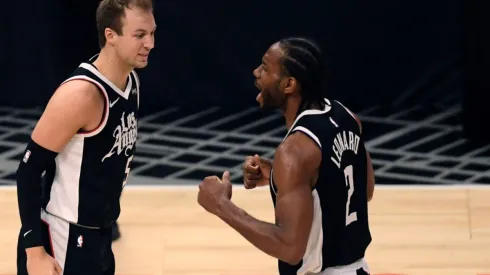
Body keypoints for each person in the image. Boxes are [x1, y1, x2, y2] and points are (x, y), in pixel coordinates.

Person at [197, 37, 375, 275]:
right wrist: (276, 176)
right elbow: (363, 190)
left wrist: (221, 205)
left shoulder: (294, 151)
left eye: (265, 68)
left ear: (289, 84)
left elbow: (290, 248)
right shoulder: (347, 117)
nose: (256, 72)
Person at [15, 0, 156, 274]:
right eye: (139, 35)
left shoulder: (131, 82)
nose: (150, 43)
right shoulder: (81, 96)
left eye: (152, 33)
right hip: (62, 239)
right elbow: (28, 171)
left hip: (99, 236)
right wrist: (34, 252)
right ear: (110, 36)